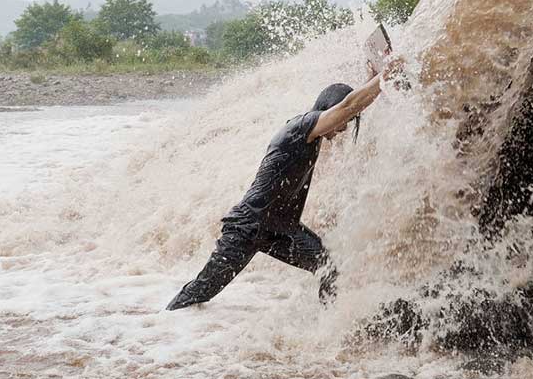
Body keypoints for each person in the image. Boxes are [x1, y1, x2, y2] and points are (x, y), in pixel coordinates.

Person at [166, 59, 401, 311]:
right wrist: (384, 74)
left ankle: (328, 323)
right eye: (343, 121)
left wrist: (374, 79)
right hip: (249, 225)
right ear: (328, 109)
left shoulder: (311, 130)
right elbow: (348, 106)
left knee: (327, 266)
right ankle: (164, 323)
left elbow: (350, 105)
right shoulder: (303, 127)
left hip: (280, 228)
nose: (343, 128)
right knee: (202, 290)